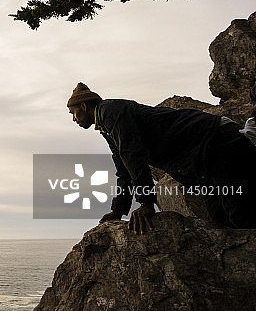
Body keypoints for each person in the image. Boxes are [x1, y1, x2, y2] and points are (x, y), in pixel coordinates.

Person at [66, 83, 256, 234]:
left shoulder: (111, 111)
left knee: (242, 219)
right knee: (220, 219)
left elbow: (133, 156)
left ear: (84, 106)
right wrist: (118, 210)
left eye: (73, 113)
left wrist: (146, 203)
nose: (74, 119)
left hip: (217, 142)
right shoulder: (107, 126)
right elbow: (124, 168)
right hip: (204, 162)